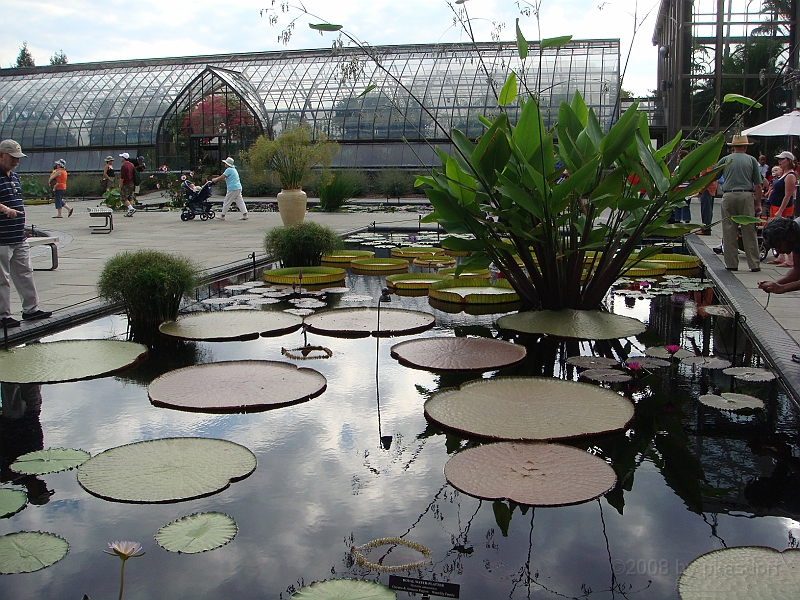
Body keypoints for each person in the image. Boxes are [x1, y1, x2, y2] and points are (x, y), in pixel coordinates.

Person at [0, 139, 53, 328]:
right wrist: (5, 210)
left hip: (18, 235)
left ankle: (30, 309)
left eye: (18, 158)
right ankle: (3, 316)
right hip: (2, 238)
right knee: (2, 278)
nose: (16, 161)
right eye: (12, 157)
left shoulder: (13, 176)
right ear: (2, 155)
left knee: (25, 273)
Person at [714, 134, 763, 272]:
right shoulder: (752, 160)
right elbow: (758, 184)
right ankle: (754, 264)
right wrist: (758, 203)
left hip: (728, 195)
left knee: (729, 230)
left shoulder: (725, 159)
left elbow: (713, 176)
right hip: (746, 195)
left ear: (732, 147)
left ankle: (731, 263)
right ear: (746, 147)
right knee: (749, 230)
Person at [765, 152, 796, 267]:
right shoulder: (783, 174)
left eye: (782, 159)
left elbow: (788, 195)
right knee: (777, 232)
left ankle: (790, 258)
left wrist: (781, 210)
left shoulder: (790, 176)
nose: (779, 162)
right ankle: (781, 256)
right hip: (775, 205)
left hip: (783, 208)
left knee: (785, 232)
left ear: (788, 160)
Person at [119, 152, 136, 217]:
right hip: (132, 182)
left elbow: (122, 177)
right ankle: (130, 211)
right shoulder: (131, 165)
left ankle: (131, 208)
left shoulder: (124, 166)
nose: (120, 158)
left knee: (123, 198)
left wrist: (120, 185)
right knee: (130, 197)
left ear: (124, 158)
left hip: (126, 183)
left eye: (121, 157)